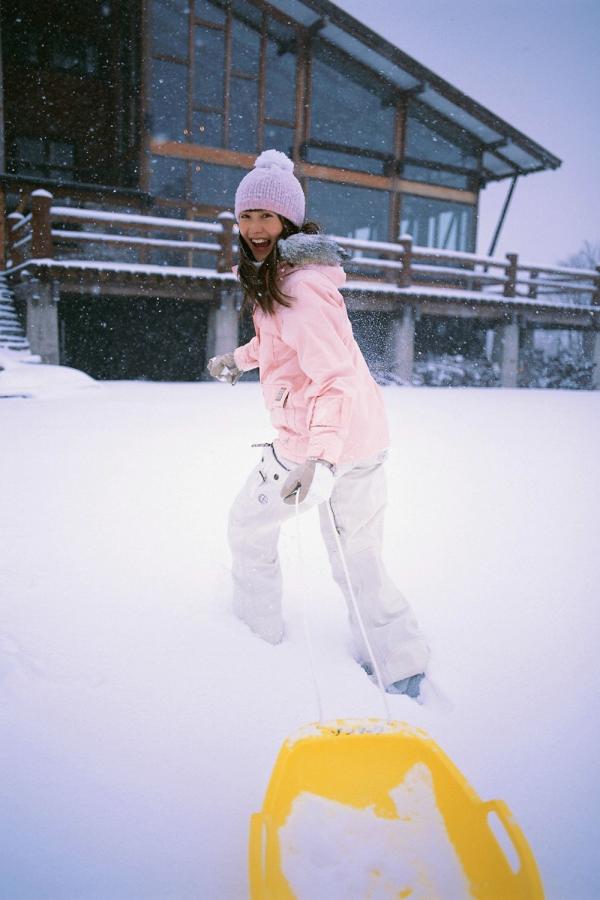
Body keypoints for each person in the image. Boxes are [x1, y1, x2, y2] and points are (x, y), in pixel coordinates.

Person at [208, 149, 429, 698]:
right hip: (359, 438)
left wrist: (317, 459)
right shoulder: (285, 276)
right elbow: (279, 344)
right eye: (246, 216)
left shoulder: (299, 288)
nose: (255, 227)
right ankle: (400, 663)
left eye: (266, 216)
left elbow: (333, 380)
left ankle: (253, 639)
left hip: (317, 444)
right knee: (358, 553)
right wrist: (238, 360)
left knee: (247, 527)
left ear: (289, 221)